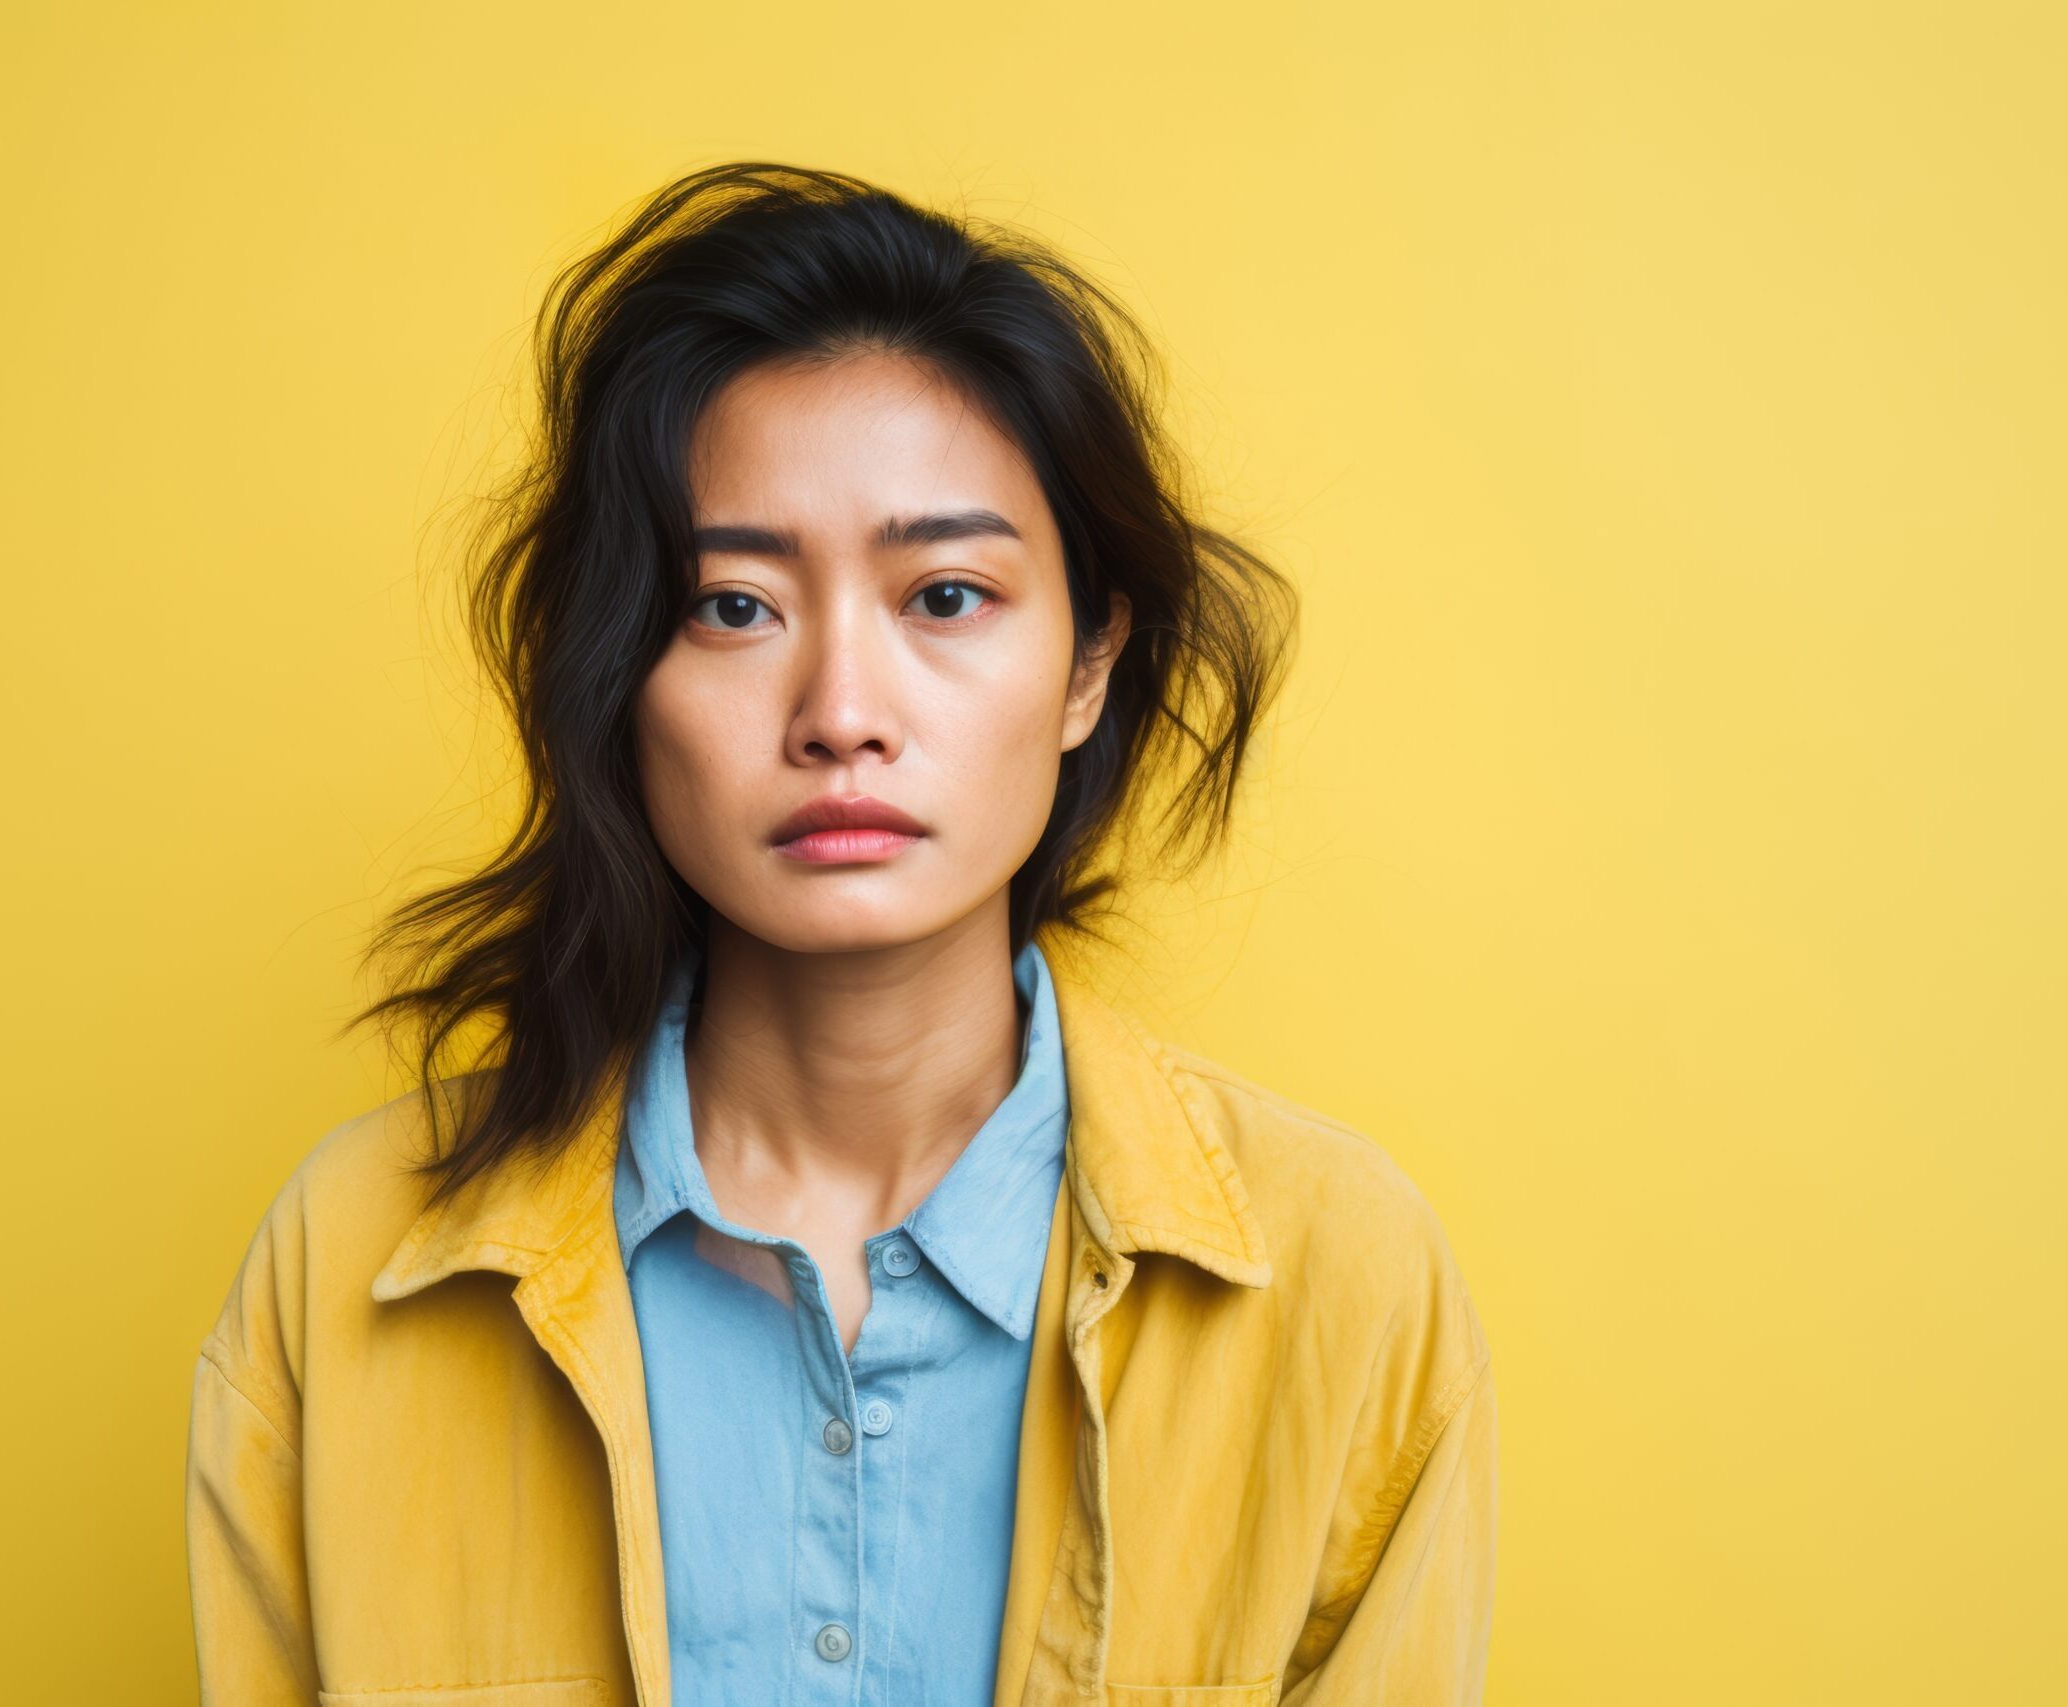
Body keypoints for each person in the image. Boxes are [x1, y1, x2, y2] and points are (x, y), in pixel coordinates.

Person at [187, 162, 1495, 1707]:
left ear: (1085, 668)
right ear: (618, 672)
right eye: (732, 608)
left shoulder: (1340, 1280)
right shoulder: (348, 1265)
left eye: (944, 594)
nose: (842, 717)